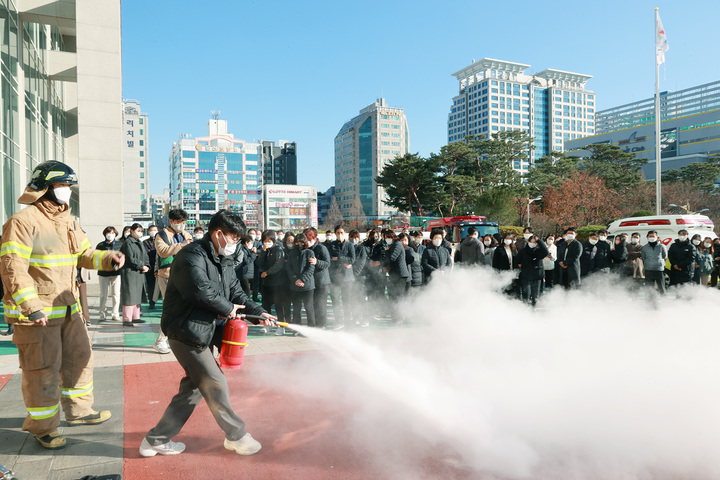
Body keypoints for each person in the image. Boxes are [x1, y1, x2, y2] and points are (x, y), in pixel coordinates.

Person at [0, 161, 124, 449]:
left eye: (69, 186)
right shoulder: (23, 221)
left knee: (79, 361)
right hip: (38, 314)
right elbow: (12, 268)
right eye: (63, 185)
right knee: (41, 370)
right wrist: (30, 305)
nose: (68, 191)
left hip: (69, 309)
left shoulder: (68, 220)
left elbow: (83, 254)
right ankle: (43, 427)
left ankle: (79, 412)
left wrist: (107, 259)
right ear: (45, 187)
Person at [140, 210, 276, 458]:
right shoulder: (191, 255)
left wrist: (260, 313)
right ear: (218, 233)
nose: (235, 244)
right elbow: (199, 291)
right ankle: (236, 436)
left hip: (203, 330)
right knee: (215, 382)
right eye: (234, 238)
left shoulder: (223, 260)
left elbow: (237, 293)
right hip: (186, 332)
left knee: (191, 390)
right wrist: (228, 308)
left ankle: (156, 439)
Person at [153, 210, 193, 354]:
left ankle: (177, 338)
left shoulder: (187, 235)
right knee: (170, 308)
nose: (181, 225)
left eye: (184, 222)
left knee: (184, 308)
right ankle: (160, 340)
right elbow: (163, 251)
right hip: (167, 275)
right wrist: (182, 245)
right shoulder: (162, 235)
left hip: (185, 275)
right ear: (171, 221)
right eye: (178, 222)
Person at [258, 230, 289, 334]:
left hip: (277, 283)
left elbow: (278, 264)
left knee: (279, 305)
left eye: (270, 240)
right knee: (265, 305)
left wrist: (267, 272)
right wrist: (262, 252)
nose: (267, 242)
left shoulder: (278, 249)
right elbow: (259, 262)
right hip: (266, 283)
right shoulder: (264, 250)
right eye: (265, 240)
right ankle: (268, 325)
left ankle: (281, 326)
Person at [120, 224, 150, 328]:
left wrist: (146, 265)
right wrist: (141, 266)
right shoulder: (128, 242)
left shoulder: (139, 242)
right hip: (130, 272)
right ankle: (127, 319)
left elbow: (145, 256)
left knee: (137, 295)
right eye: (138, 230)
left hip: (139, 272)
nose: (140, 233)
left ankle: (135, 317)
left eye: (141, 231)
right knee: (129, 296)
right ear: (131, 231)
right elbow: (130, 258)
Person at [327, 225, 356, 329]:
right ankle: (339, 321)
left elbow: (352, 259)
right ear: (335, 233)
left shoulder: (349, 245)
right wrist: (343, 261)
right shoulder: (331, 245)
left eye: (342, 232)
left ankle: (348, 321)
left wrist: (339, 258)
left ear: (345, 233)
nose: (340, 234)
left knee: (347, 300)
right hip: (335, 277)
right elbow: (330, 259)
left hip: (347, 278)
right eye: (338, 232)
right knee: (335, 300)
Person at [287, 233, 315, 327]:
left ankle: (311, 328)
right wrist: (296, 280)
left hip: (307, 286)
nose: (300, 244)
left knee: (309, 308)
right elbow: (289, 268)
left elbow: (311, 268)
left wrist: (302, 280)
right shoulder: (291, 254)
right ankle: (297, 328)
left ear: (305, 242)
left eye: (302, 242)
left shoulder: (309, 252)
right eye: (298, 242)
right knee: (296, 308)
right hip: (295, 286)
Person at [305, 228, 331, 328]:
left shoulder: (321, 248)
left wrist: (317, 262)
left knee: (320, 305)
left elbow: (327, 263)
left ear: (315, 237)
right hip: (311, 281)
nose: (307, 239)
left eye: (309, 236)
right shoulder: (306, 249)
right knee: (312, 304)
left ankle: (321, 325)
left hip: (321, 281)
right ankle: (314, 324)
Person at [96, 226, 122, 321]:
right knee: (103, 295)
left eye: (112, 233)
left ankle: (115, 314)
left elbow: (123, 258)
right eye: (108, 233)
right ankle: (102, 314)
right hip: (103, 273)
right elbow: (96, 258)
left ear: (115, 234)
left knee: (116, 294)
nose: (110, 235)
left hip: (116, 273)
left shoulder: (120, 245)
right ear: (105, 234)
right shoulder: (100, 245)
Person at [383, 231, 410, 324]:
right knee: (394, 296)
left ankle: (399, 318)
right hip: (395, 274)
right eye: (385, 237)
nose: (387, 239)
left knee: (397, 297)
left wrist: (386, 250)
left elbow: (392, 258)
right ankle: (396, 317)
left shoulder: (397, 245)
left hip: (400, 274)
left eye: (388, 237)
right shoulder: (393, 245)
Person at [517, 235, 550, 306]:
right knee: (526, 296)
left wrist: (539, 240)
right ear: (528, 242)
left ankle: (534, 311)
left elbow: (546, 251)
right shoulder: (522, 251)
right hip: (526, 277)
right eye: (531, 241)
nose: (533, 243)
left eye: (535, 242)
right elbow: (518, 263)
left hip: (537, 276)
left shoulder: (539, 251)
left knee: (536, 297)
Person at [143, 225, 159, 309]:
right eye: (151, 230)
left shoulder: (161, 240)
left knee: (160, 285)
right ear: (148, 232)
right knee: (151, 285)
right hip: (150, 265)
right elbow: (145, 253)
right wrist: (154, 251)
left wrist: (151, 251)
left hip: (160, 266)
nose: (153, 232)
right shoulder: (145, 242)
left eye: (155, 230)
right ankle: (151, 302)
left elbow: (161, 252)